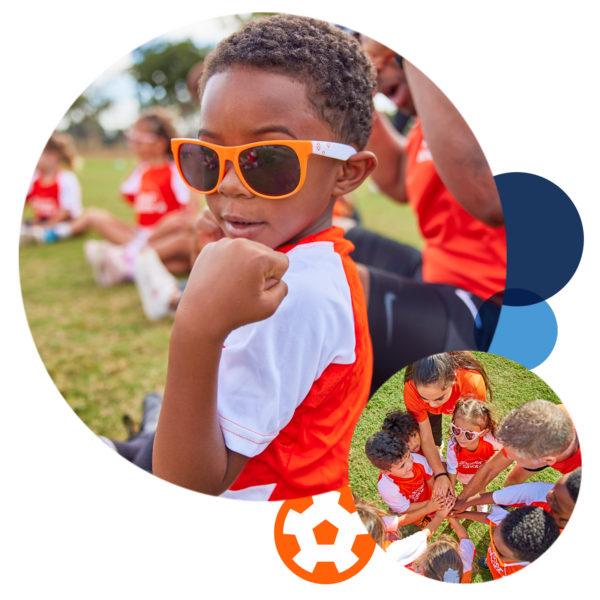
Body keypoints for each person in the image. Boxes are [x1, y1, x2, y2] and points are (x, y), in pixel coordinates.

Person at [151, 14, 379, 506]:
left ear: (347, 173)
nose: (229, 183)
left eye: (268, 160)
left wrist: (195, 327)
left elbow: (183, 498)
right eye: (207, 158)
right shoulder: (319, 259)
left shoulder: (290, 295)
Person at [336, 33, 507, 392]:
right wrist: (349, 81)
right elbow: (400, 177)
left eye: (382, 53)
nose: (376, 64)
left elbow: (490, 196)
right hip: (439, 277)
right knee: (318, 241)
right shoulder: (427, 121)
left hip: (494, 310)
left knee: (327, 288)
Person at [71, 107, 198, 285]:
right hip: (139, 235)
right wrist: (140, 161)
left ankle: (124, 261)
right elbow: (125, 193)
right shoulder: (142, 169)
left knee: (182, 246)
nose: (133, 145)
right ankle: (130, 259)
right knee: (95, 216)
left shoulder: (175, 170)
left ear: (159, 143)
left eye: (139, 140)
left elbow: (188, 215)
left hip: (165, 236)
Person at [454, 400, 600, 511]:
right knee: (514, 479)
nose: (506, 458)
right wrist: (461, 500)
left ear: (547, 461)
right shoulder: (546, 418)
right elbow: (491, 468)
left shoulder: (590, 474)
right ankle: (505, 503)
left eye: (515, 459)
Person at [402, 352, 492, 499]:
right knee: (432, 430)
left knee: (463, 438)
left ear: (453, 380)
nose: (431, 405)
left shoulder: (472, 383)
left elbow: (471, 429)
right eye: (424, 397)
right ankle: (439, 447)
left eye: (439, 398)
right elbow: (425, 438)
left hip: (463, 397)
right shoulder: (411, 387)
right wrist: (441, 473)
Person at [453, 505, 566, 584]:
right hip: (501, 570)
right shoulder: (511, 524)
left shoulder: (526, 579)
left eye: (499, 551)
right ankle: (490, 563)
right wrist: (462, 514)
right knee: (493, 564)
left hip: (505, 577)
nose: (493, 547)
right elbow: (491, 519)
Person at [355, 496, 455, 583]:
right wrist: (440, 515)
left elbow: (400, 521)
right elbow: (423, 536)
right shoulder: (394, 553)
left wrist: (428, 508)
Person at [365, 431, 447, 528]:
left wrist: (438, 498)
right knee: (418, 519)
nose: (409, 464)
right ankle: (420, 521)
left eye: (408, 456)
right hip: (412, 510)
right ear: (386, 472)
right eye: (402, 466)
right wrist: (429, 506)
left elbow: (429, 478)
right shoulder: (387, 487)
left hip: (429, 497)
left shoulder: (417, 459)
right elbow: (405, 509)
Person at [19, 130, 83, 245]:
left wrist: (44, 226)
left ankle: (46, 235)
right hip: (42, 221)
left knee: (77, 224)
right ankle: (37, 233)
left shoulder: (66, 178)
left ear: (52, 156)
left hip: (65, 221)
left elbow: (66, 213)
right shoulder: (34, 178)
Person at [446, 397, 502, 511]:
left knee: (481, 488)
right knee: (466, 487)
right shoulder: (453, 445)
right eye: (457, 430)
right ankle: (467, 503)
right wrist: (451, 493)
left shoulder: (491, 440)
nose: (461, 437)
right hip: (464, 474)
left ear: (483, 432)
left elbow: (507, 450)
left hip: (482, 475)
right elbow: (451, 469)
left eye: (469, 434)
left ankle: (480, 503)